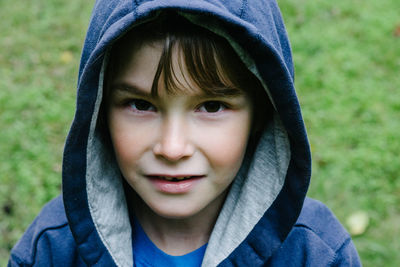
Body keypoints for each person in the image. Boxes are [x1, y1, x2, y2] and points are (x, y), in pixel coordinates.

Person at [8, 0, 361, 266]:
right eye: (141, 105)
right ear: (98, 110)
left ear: (263, 115)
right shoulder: (52, 249)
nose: (172, 148)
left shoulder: (315, 253)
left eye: (210, 107)